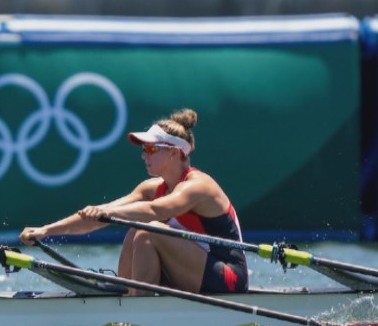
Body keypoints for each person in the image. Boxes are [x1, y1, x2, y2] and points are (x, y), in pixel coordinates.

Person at [19, 108, 248, 296]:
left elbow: (155, 210)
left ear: (174, 153)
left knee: (148, 232)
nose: (143, 155)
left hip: (228, 278)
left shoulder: (198, 185)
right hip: (194, 271)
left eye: (150, 148)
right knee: (134, 232)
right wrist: (46, 230)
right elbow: (104, 215)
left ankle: (137, 308)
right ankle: (127, 295)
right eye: (143, 149)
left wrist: (105, 213)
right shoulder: (151, 188)